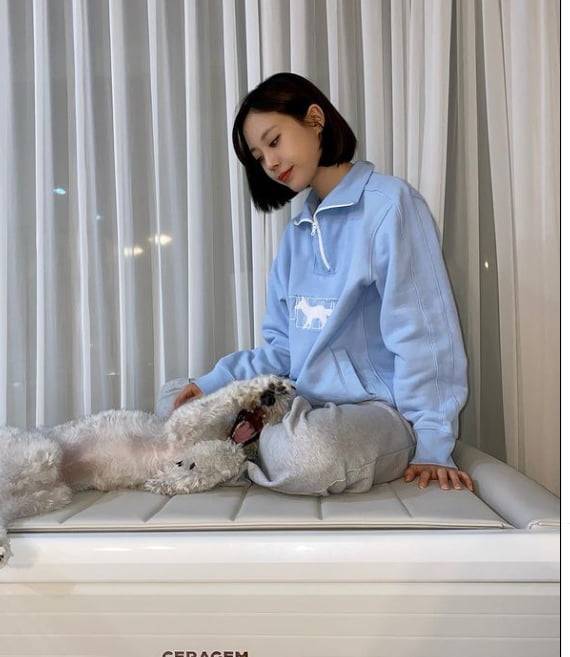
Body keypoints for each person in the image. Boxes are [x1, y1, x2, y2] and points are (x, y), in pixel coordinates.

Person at [157, 72, 474, 495]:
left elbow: (425, 334)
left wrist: (432, 443)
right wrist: (213, 383)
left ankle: (242, 443)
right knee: (175, 399)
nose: (270, 163)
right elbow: (283, 350)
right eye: (259, 156)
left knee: (308, 452)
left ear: (315, 119)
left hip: (382, 414)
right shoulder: (297, 234)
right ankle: (246, 438)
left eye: (274, 141)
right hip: (303, 403)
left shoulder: (390, 205)